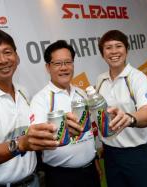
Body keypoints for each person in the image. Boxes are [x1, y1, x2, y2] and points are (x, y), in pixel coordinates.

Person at [0, 29, 80, 187]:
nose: (3, 60)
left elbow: (34, 136)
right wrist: (20, 144)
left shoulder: (23, 92)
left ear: (17, 57)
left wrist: (62, 129)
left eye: (7, 52)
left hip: (32, 181)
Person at [30, 40, 102, 187]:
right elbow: (37, 139)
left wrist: (94, 160)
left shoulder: (81, 93)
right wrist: (63, 130)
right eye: (57, 64)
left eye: (68, 62)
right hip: (61, 177)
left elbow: (88, 133)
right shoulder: (40, 99)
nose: (64, 68)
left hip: (90, 171)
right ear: (48, 67)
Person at [96, 30, 147, 187]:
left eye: (118, 46)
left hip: (137, 155)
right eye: (108, 47)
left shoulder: (137, 77)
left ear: (126, 49)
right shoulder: (100, 80)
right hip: (110, 155)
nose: (114, 51)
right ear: (102, 53)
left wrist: (130, 118)